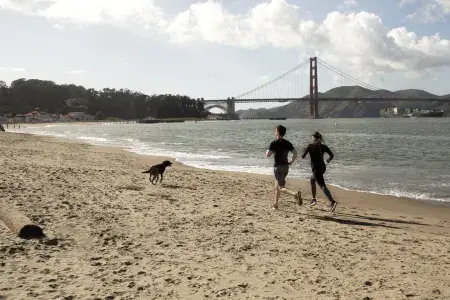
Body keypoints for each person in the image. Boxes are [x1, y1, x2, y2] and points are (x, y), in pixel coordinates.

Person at [266, 125, 302, 210]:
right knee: (277, 185)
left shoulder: (274, 143)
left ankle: (295, 194)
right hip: (286, 168)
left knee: (281, 187)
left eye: (275, 130)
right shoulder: (287, 143)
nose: (274, 132)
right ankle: (275, 204)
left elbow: (268, 155)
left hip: (278, 168)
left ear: (278, 132)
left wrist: (267, 151)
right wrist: (291, 162)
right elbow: (295, 153)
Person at [301, 131, 337, 212]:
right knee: (312, 180)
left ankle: (332, 202)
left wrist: (304, 150)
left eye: (312, 137)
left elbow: (302, 156)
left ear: (314, 138)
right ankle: (313, 199)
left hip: (316, 169)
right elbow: (332, 155)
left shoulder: (310, 146)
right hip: (323, 168)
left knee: (322, 185)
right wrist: (328, 160)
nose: (311, 138)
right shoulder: (323, 146)